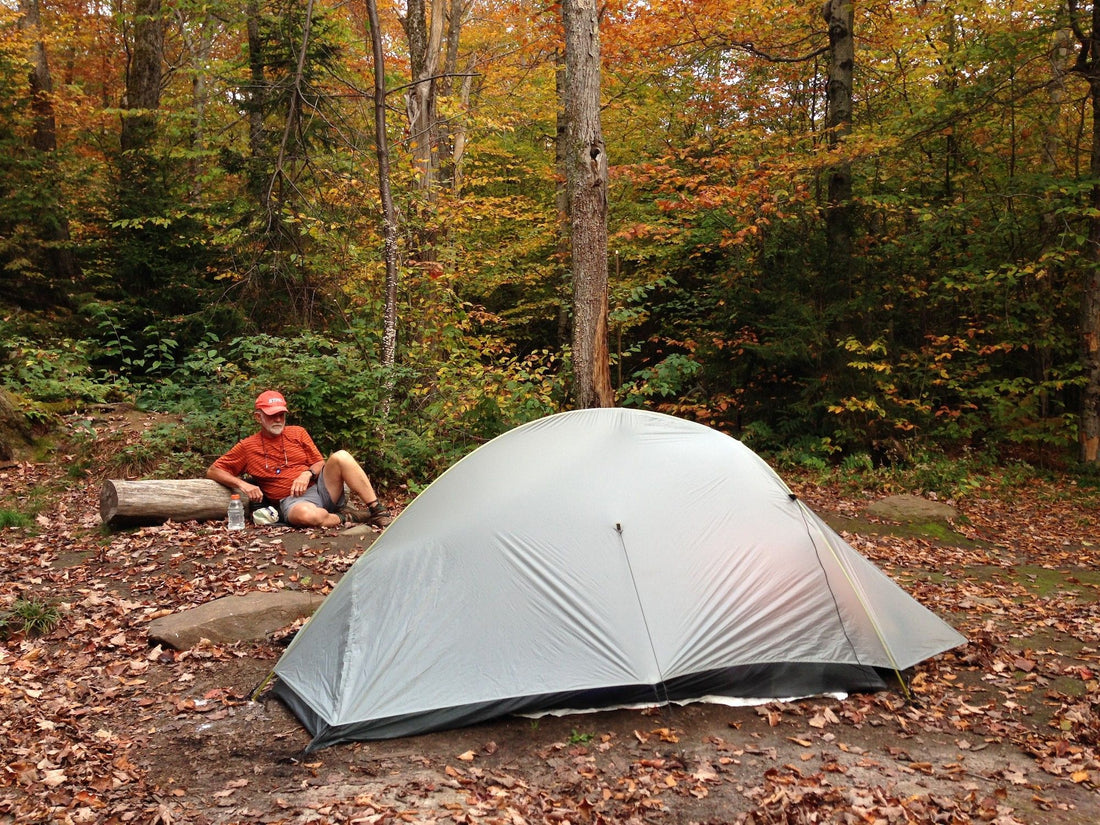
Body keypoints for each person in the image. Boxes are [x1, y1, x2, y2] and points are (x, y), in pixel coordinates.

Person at [207, 390, 393, 528]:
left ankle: (377, 510)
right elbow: (214, 470)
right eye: (272, 416)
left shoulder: (298, 433)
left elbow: (320, 463)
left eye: (281, 415)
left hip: (320, 489)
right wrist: (244, 485)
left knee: (341, 456)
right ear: (259, 417)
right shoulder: (247, 447)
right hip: (292, 501)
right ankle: (349, 517)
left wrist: (307, 473)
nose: (278, 419)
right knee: (306, 516)